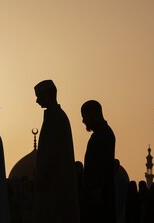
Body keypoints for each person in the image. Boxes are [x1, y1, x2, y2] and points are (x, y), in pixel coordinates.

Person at [33, 80, 80, 223]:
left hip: (54, 184)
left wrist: (43, 175)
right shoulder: (55, 116)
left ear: (48, 95)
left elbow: (51, 153)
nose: (37, 101)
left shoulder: (56, 117)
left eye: (39, 96)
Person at [81, 100, 116, 223]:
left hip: (98, 193)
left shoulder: (103, 134)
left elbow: (100, 165)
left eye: (85, 117)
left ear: (93, 114)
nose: (83, 121)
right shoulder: (102, 134)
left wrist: (96, 188)